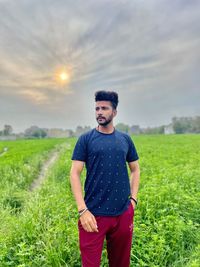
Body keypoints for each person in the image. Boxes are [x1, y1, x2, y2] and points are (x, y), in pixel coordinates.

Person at [70, 90, 140, 267]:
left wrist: (133, 200)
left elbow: (135, 169)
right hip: (93, 215)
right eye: (97, 108)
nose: (99, 112)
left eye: (104, 108)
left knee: (121, 264)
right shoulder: (86, 139)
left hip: (123, 213)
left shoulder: (125, 139)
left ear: (114, 112)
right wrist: (82, 210)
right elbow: (74, 173)